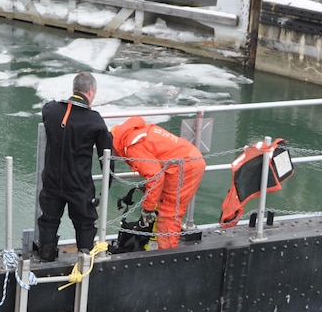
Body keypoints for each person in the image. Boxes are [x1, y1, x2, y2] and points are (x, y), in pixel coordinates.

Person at [35, 72, 112, 262]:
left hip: (52, 180)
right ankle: (84, 261)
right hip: (79, 184)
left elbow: (47, 109)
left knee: (49, 220)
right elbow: (107, 154)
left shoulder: (51, 110)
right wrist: (107, 181)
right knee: (85, 223)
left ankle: (46, 257)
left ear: (74, 89)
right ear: (91, 92)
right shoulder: (94, 120)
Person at [111, 116, 205, 249]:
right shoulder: (135, 133)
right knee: (168, 213)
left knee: (169, 215)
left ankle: (168, 257)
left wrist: (147, 209)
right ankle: (166, 251)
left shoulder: (133, 146)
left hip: (185, 167)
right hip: (185, 161)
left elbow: (155, 176)